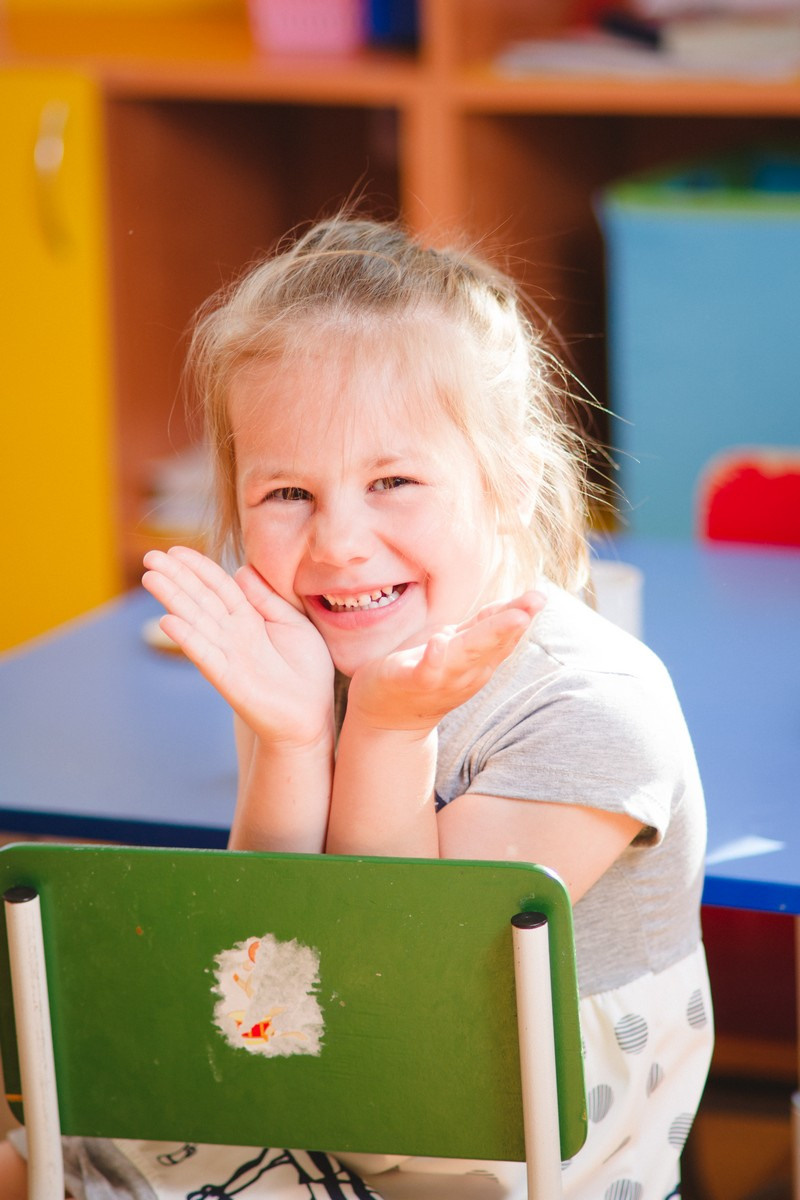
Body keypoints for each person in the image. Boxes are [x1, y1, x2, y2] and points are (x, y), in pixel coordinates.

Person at [0, 216, 712, 1200]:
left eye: (393, 482)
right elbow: (268, 977)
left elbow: (397, 1011)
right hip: (319, 1093)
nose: (338, 543)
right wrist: (292, 742)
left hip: (496, 1151)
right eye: (287, 491)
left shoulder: (595, 710)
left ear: (507, 482)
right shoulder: (309, 659)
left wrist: (384, 731)